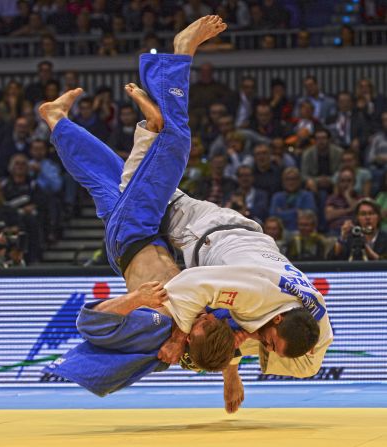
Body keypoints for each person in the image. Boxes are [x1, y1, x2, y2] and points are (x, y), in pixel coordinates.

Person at [40, 16, 331, 408]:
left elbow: (92, 322)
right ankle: (164, 65)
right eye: (268, 341)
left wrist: (138, 305)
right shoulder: (240, 308)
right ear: (278, 322)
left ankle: (91, 114)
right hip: (181, 230)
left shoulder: (165, 329)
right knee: (142, 159)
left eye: (204, 328)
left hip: (149, 234)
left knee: (143, 161)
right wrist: (205, 354)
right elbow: (204, 299)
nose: (258, 343)